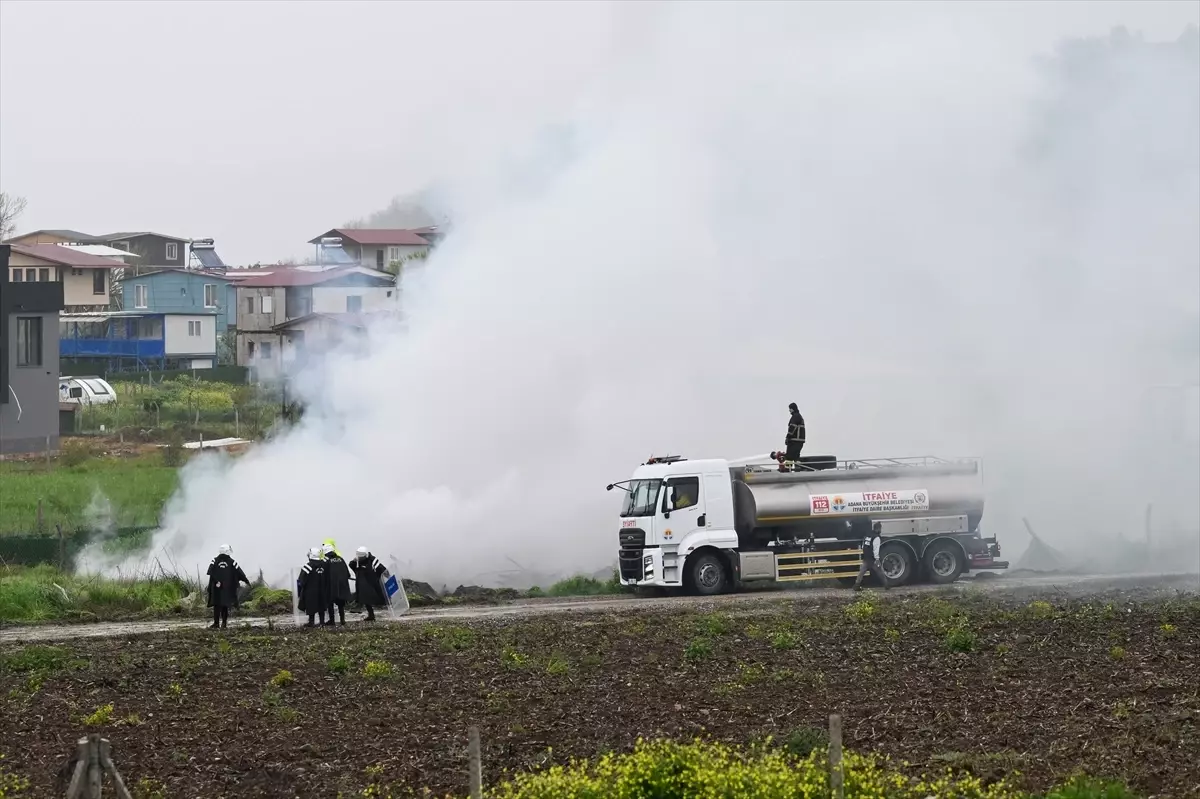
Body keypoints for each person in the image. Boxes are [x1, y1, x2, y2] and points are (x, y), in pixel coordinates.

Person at [206, 544, 250, 630]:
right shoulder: (232, 562)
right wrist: (246, 581)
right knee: (225, 605)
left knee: (216, 606)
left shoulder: (214, 560)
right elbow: (240, 572)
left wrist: (216, 581)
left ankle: (216, 624)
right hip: (227, 588)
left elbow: (210, 571)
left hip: (216, 588)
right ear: (227, 551)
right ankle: (224, 624)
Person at [349, 546, 389, 622]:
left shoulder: (373, 560)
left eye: (361, 557)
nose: (360, 558)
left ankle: (384, 607)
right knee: (365, 599)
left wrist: (389, 577)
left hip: (372, 582)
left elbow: (382, 569)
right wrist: (353, 561)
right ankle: (370, 615)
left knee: (373, 598)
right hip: (361, 583)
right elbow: (351, 566)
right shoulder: (357, 561)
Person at [297, 547, 332, 627]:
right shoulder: (324, 565)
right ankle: (322, 622)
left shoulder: (308, 566)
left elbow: (301, 580)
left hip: (310, 591)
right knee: (322, 606)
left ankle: (311, 622)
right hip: (323, 590)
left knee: (311, 607)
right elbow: (329, 577)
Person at [853, 522, 890, 591]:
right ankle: (886, 585)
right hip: (872, 559)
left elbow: (863, 545)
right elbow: (876, 549)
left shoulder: (868, 535)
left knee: (862, 572)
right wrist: (877, 559)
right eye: (880, 528)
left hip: (866, 557)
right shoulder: (876, 537)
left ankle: (856, 585)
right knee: (880, 572)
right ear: (878, 528)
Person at [323, 543, 352, 626]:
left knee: (330, 603)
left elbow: (323, 574)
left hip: (331, 585)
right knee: (341, 604)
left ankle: (332, 620)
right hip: (342, 585)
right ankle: (342, 620)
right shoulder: (340, 559)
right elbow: (347, 573)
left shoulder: (326, 560)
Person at [784, 402, 806, 468]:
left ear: (792, 409)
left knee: (789, 457)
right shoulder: (799, 416)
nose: (789, 411)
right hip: (799, 441)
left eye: (790, 409)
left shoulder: (795, 416)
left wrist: (787, 437)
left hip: (794, 441)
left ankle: (788, 471)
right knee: (796, 456)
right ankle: (798, 470)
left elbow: (792, 427)